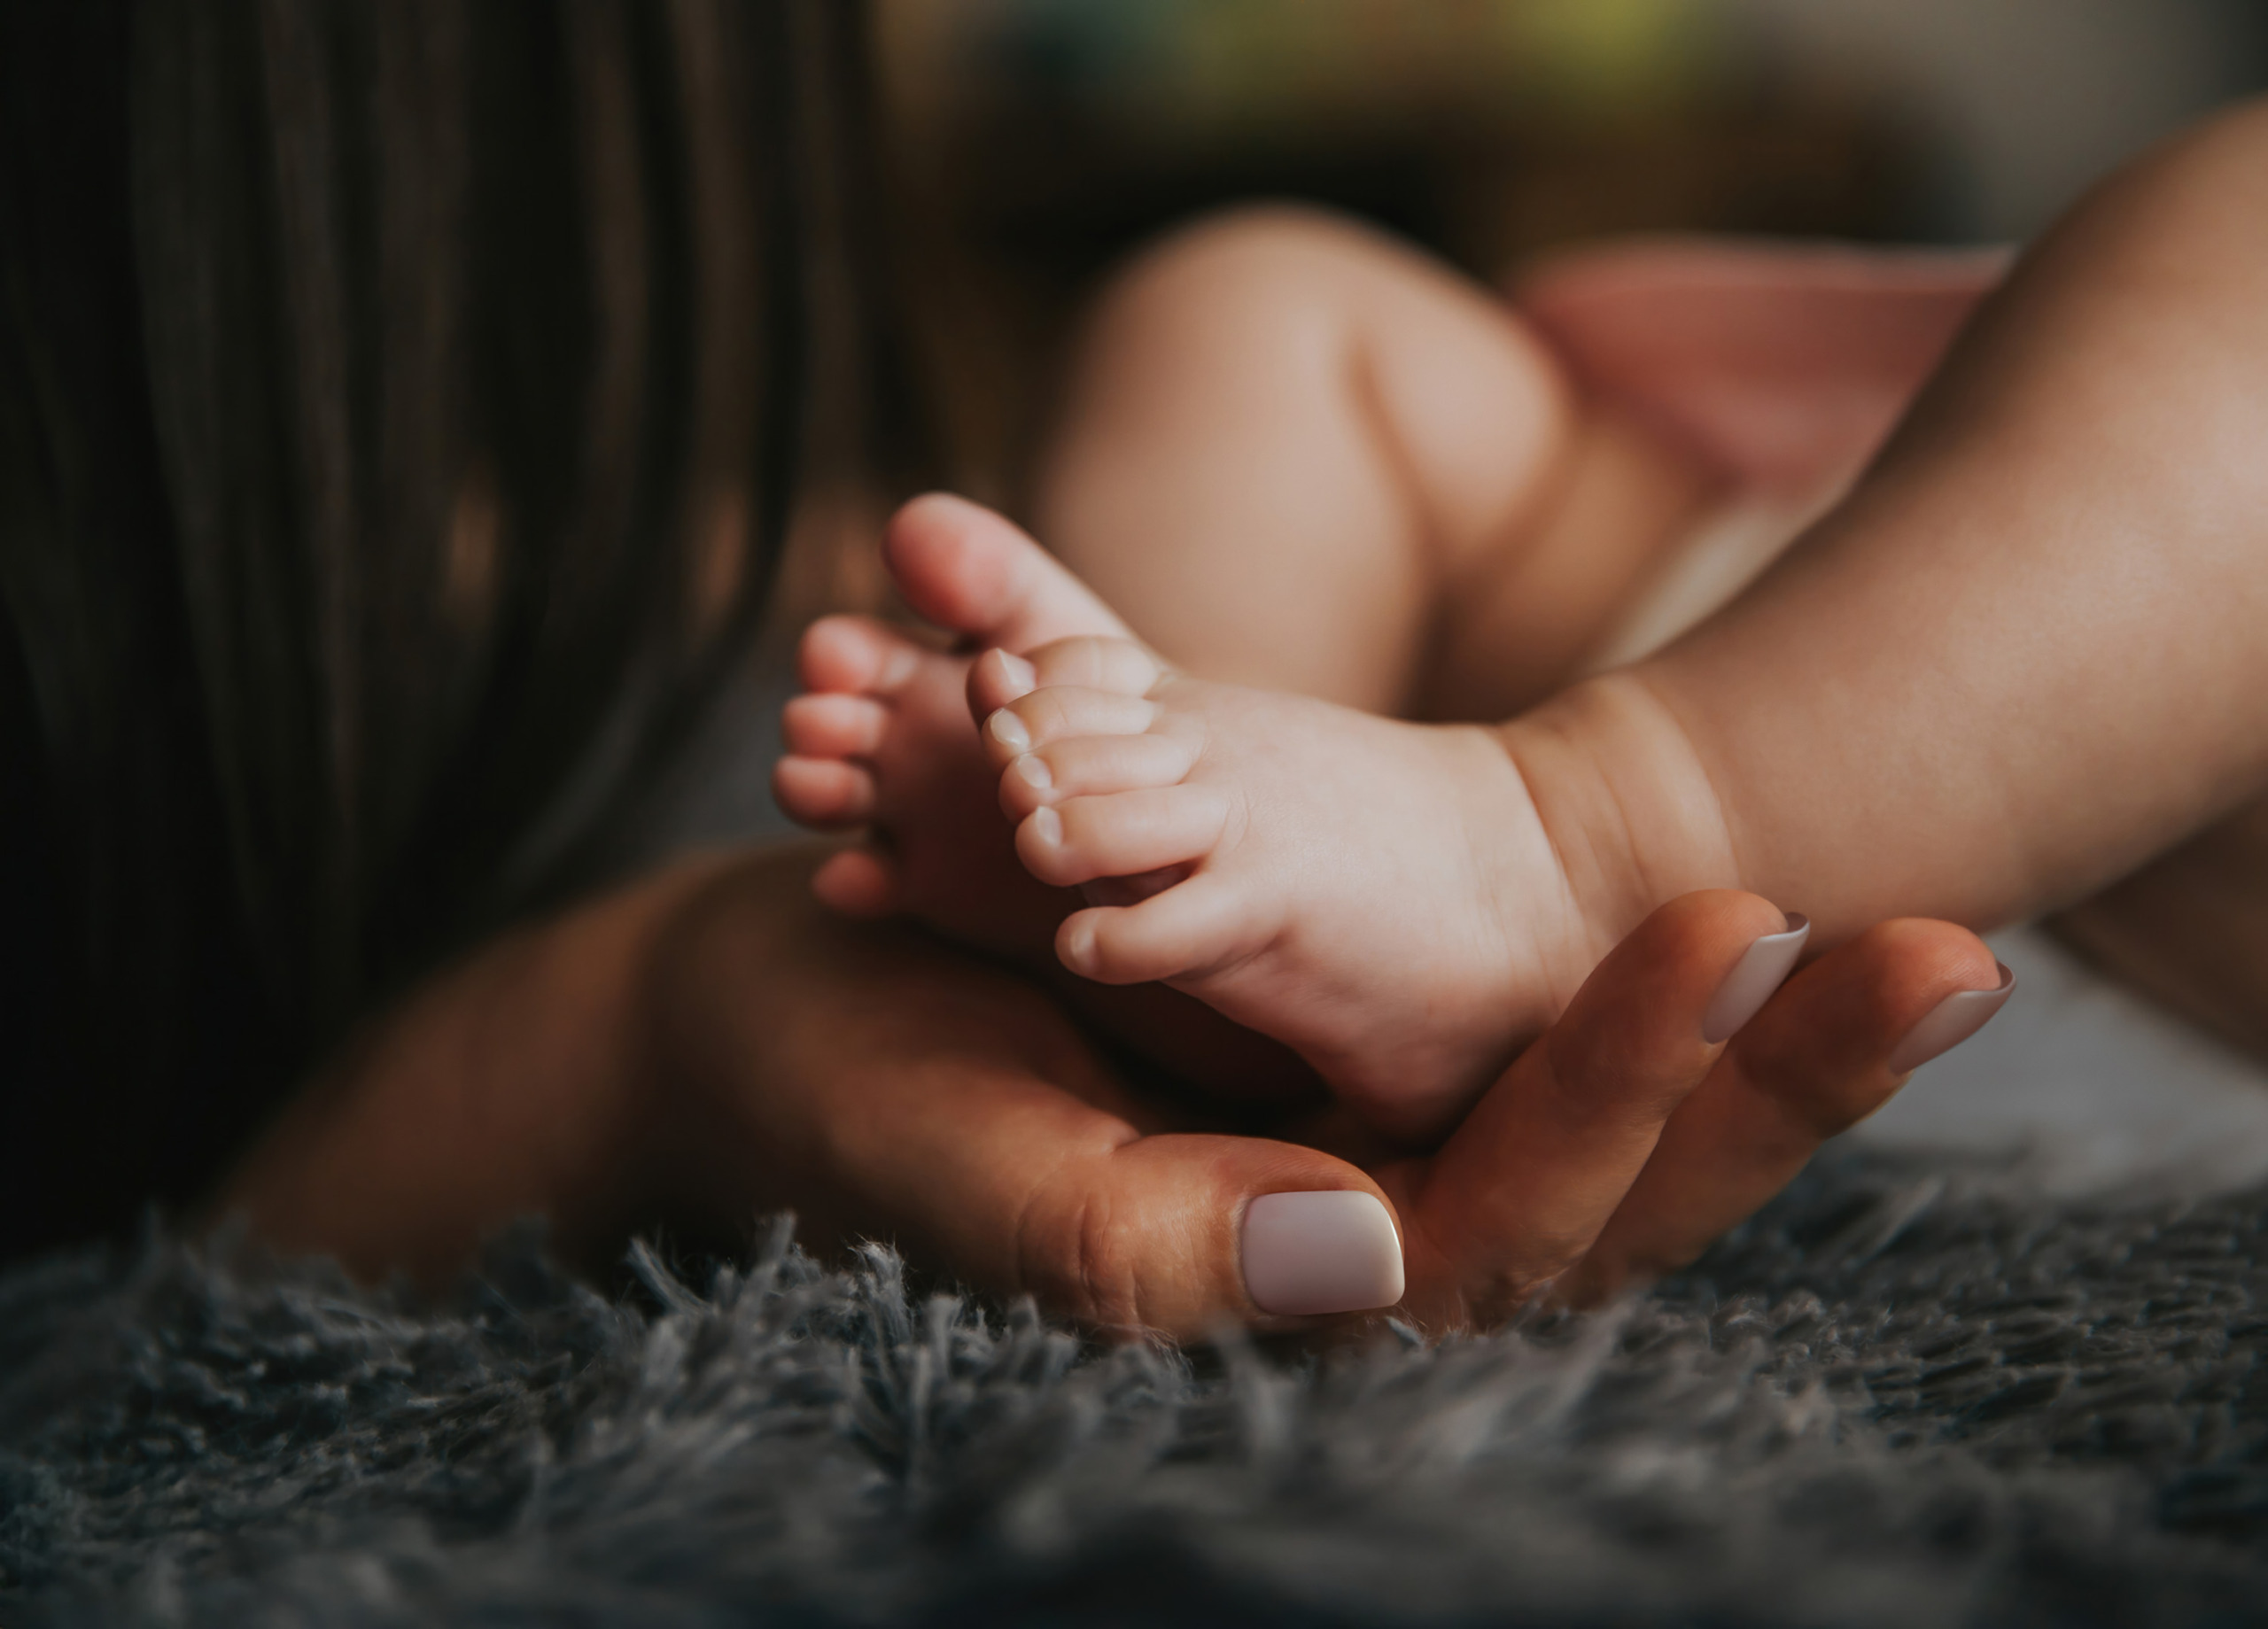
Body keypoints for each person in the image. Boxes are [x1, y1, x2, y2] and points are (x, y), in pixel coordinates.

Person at [0, 0, 2010, 1339]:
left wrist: (634, 1012)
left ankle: (1304, 875)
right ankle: (1260, 879)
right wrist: (633, 1026)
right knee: (1236, 301)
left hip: (1853, 556)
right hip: (1672, 517)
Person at [774, 97, 2268, 1166]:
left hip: (2133, 841)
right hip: (1764, 589)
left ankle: (1567, 848)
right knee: (1255, 302)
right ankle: (1210, 889)